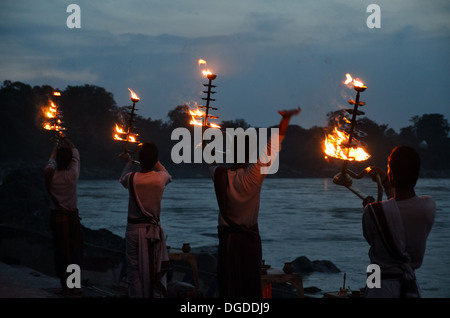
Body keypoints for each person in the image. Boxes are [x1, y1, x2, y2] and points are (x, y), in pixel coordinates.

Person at [210, 107, 301, 298]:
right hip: (249, 241)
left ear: (230, 154)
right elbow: (274, 144)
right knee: (250, 285)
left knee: (229, 286)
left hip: (227, 242)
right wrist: (285, 119)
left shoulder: (218, 175)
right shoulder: (254, 174)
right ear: (250, 155)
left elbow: (209, 159)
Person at [362, 145, 435, 298]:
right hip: (410, 287)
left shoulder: (373, 211)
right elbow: (399, 207)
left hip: (378, 284)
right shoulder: (428, 206)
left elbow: (373, 241)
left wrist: (370, 208)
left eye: (389, 168)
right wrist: (389, 185)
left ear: (392, 174)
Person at [119, 142, 172, 298]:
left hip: (133, 231)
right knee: (154, 267)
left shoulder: (131, 178)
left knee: (134, 270)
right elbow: (167, 173)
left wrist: (129, 163)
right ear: (155, 159)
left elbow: (121, 179)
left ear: (140, 160)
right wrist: (155, 160)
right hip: (152, 232)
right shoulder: (160, 179)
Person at [44, 137, 83, 295]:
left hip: (57, 218)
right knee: (74, 251)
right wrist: (66, 140)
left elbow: (51, 161)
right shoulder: (72, 175)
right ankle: (74, 285)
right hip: (72, 219)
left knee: (61, 251)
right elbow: (76, 155)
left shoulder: (50, 175)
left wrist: (55, 147)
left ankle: (65, 284)